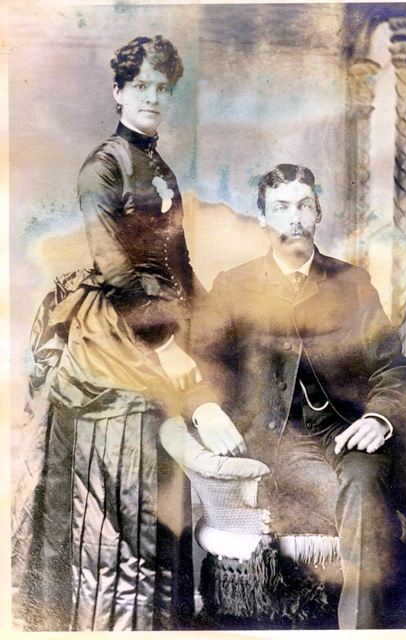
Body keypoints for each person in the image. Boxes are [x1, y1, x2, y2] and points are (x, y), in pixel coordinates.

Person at [12, 35, 226, 632]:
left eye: (162, 88)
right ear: (119, 91)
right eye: (141, 87)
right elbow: (114, 268)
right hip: (117, 330)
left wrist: (215, 325)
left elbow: (179, 263)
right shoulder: (102, 166)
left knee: (161, 506)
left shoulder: (161, 168)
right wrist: (166, 346)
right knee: (126, 509)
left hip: (160, 317)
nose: (152, 98)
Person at [191, 164, 406, 629]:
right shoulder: (234, 285)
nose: (294, 218)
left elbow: (393, 369)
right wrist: (205, 407)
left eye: (304, 205)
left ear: (318, 213)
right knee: (362, 508)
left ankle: (361, 631)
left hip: (343, 432)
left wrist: (379, 418)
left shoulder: (353, 283)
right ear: (262, 218)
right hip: (273, 439)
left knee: (365, 482)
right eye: (281, 207)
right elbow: (200, 362)